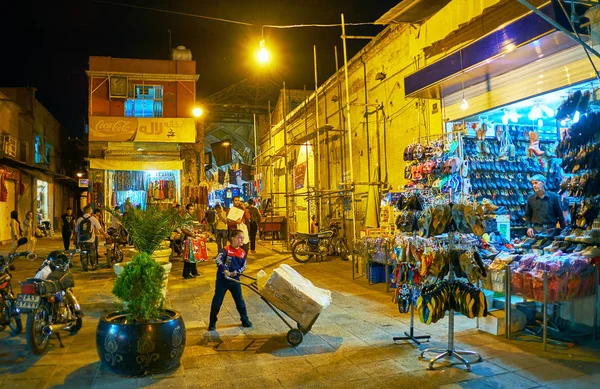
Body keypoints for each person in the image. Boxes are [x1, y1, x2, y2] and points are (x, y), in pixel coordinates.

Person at [208, 229, 252, 331]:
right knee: (217, 302)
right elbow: (218, 260)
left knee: (240, 301)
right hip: (222, 280)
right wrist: (225, 270)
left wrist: (237, 272)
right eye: (240, 238)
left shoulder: (242, 253)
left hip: (235, 280)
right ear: (233, 239)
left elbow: (243, 266)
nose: (242, 240)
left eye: (243, 238)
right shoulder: (225, 250)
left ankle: (245, 320)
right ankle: (212, 322)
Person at [74, 204, 109, 271]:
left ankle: (85, 267)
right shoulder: (93, 219)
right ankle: (93, 266)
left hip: (81, 240)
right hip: (90, 240)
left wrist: (75, 240)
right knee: (92, 254)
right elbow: (100, 229)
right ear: (90, 211)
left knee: (83, 254)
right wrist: (105, 235)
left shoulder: (79, 219)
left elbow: (76, 231)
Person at [182, 203, 200, 279]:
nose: (192, 210)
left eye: (193, 209)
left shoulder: (189, 217)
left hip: (191, 237)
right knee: (189, 256)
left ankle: (194, 271)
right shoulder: (186, 217)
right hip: (188, 238)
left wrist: (194, 232)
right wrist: (191, 234)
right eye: (190, 209)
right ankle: (186, 274)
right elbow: (183, 228)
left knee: (193, 255)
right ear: (187, 209)